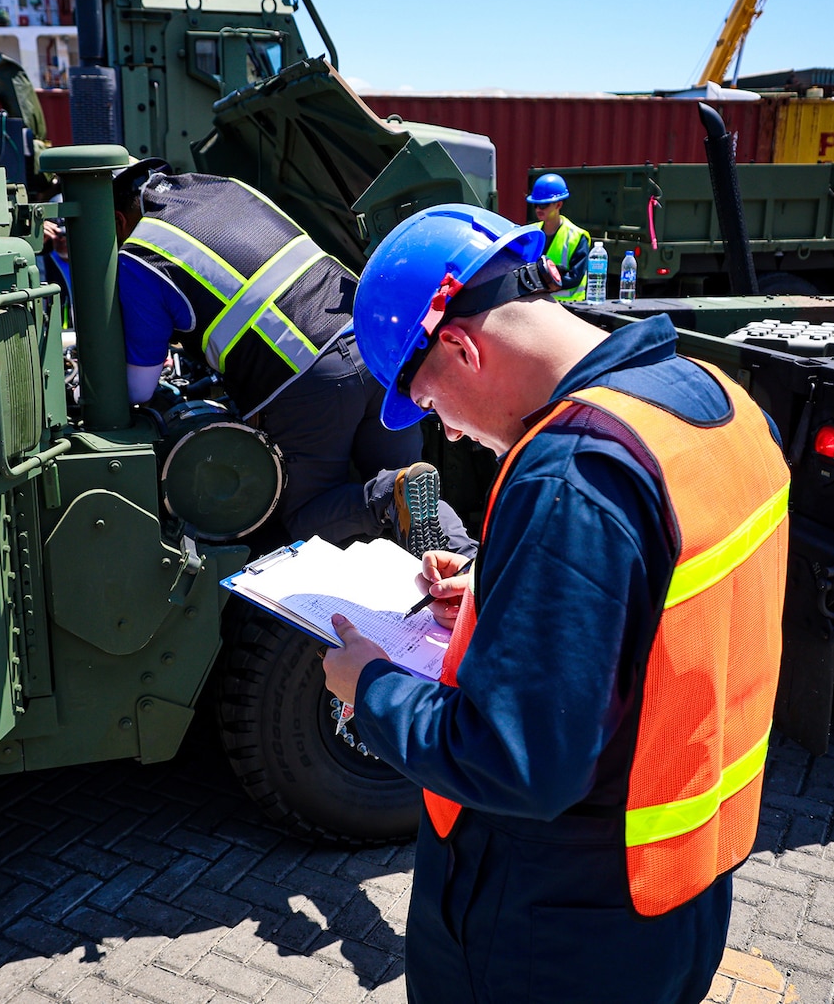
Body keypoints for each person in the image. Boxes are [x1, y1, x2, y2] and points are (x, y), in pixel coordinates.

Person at [321, 203, 789, 1003]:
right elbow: (659, 603)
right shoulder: (716, 400)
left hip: (551, 929)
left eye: (434, 407)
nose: (455, 437)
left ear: (463, 347)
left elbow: (518, 760)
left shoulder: (567, 474)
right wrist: (502, 588)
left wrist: (368, 685)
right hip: (678, 893)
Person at [109, 159, 474, 556]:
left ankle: (387, 496)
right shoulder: (226, 186)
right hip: (376, 345)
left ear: (117, 220)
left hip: (308, 374)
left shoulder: (139, 254)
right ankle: (466, 565)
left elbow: (139, 387)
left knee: (304, 514)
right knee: (412, 493)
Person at [526, 172, 591, 303]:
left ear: (558, 205)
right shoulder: (530, 233)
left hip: (569, 307)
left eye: (544, 205)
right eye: (535, 205)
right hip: (537, 304)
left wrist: (540, 281)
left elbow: (574, 278)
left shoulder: (577, 237)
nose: (538, 209)